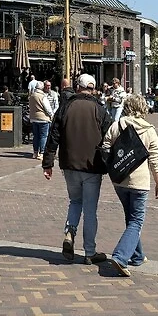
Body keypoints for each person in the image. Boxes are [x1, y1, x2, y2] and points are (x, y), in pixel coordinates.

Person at [43, 74, 111, 265]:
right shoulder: (99, 109)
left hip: (69, 164)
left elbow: (54, 135)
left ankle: (69, 232)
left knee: (75, 201)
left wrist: (48, 163)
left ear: (77, 87)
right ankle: (90, 252)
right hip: (92, 165)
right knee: (90, 210)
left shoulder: (66, 106)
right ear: (93, 88)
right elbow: (110, 134)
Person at [101, 94, 158, 277]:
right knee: (136, 220)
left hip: (120, 180)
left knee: (131, 218)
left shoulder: (117, 125)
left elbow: (105, 147)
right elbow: (154, 159)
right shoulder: (149, 130)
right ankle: (120, 256)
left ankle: (137, 256)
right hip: (140, 182)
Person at [28, 81, 53, 160]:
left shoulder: (31, 96)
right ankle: (42, 153)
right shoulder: (43, 96)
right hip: (43, 119)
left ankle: (35, 152)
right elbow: (48, 108)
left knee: (36, 136)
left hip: (33, 118)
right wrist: (51, 115)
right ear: (42, 88)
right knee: (43, 136)